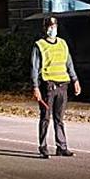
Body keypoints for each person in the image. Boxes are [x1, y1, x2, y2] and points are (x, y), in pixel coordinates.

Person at [31, 16, 81, 159]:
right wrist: (35, 87)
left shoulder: (63, 44)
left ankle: (62, 147)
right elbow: (34, 68)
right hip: (48, 86)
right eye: (49, 26)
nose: (52, 29)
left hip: (63, 86)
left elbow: (69, 63)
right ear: (45, 28)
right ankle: (43, 147)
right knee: (45, 117)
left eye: (54, 26)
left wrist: (75, 80)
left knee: (59, 119)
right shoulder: (39, 45)